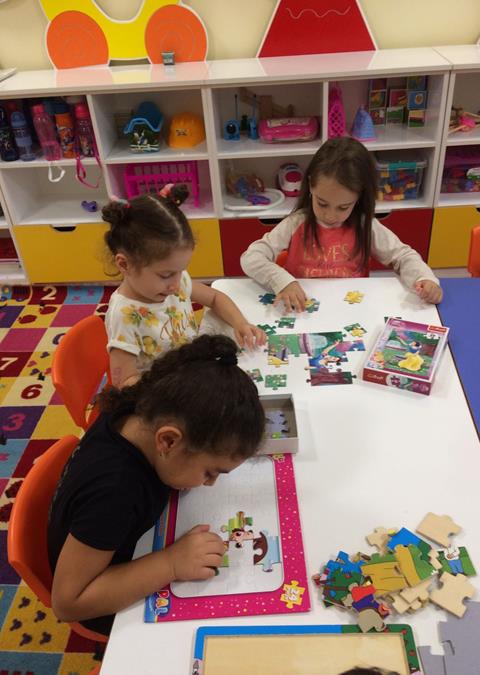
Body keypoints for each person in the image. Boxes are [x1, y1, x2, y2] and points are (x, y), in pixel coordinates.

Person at [48, 334, 265, 636]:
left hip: (124, 546)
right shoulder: (114, 493)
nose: (210, 484)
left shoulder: (142, 405)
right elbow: (67, 604)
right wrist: (172, 563)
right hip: (106, 600)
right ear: (168, 441)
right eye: (209, 472)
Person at [240, 138, 442, 312]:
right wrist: (283, 282)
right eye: (322, 203)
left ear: (359, 196)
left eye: (343, 207)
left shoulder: (365, 225)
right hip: (301, 310)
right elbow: (251, 257)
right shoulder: (296, 223)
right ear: (310, 186)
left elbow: (402, 256)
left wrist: (425, 279)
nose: (330, 215)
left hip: (352, 311)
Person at [103, 184, 265, 387]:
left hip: (191, 371)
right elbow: (124, 383)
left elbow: (215, 298)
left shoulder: (173, 283)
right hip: (164, 391)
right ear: (124, 264)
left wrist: (240, 324)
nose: (176, 283)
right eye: (166, 274)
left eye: (181, 271)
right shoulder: (123, 316)